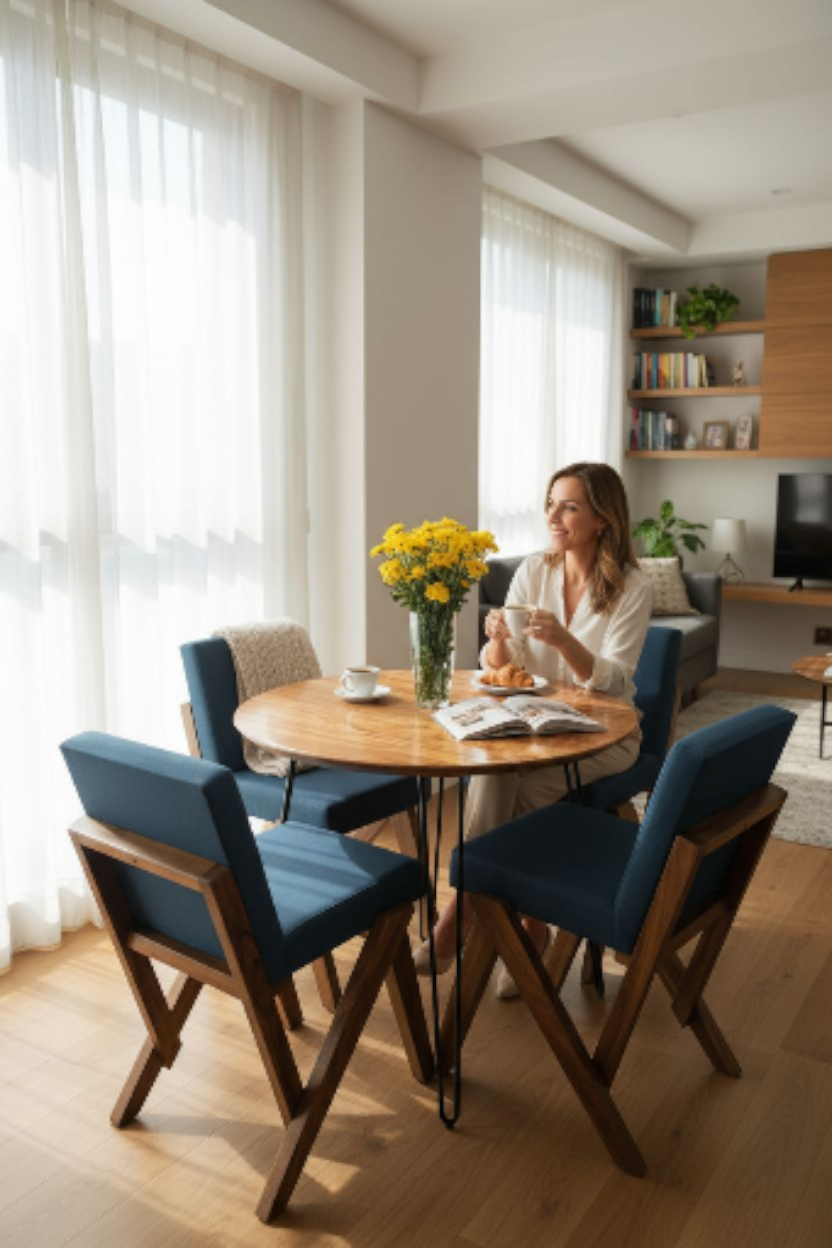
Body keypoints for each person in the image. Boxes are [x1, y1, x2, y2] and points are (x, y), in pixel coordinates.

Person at [415, 461, 652, 998]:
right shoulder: (534, 571)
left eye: (569, 506)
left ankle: (464, 916)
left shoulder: (631, 587)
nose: (553, 516)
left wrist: (565, 640)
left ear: (603, 518)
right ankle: (529, 926)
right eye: (551, 504)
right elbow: (503, 665)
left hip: (603, 734)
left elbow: (616, 680)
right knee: (497, 771)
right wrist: (498, 638)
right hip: (534, 725)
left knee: (512, 792)